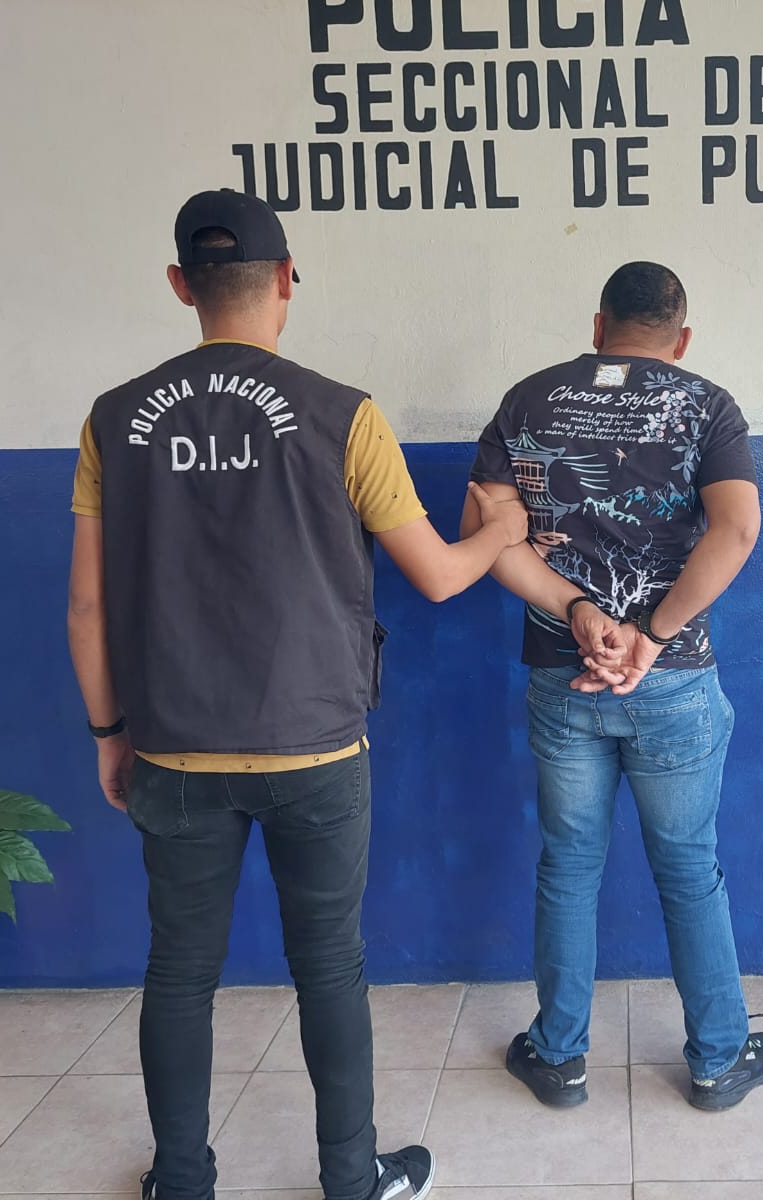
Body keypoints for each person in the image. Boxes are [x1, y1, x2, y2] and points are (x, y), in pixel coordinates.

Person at [66, 188, 526, 1200]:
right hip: (314, 746)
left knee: (179, 971)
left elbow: (88, 609)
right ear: (285, 280)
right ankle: (351, 1179)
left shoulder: (111, 419)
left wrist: (109, 732)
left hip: (171, 745)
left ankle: (180, 1180)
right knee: (329, 967)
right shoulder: (343, 414)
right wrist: (503, 529)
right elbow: (439, 575)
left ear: (181, 285)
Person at [463, 261, 763, 1112]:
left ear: (598, 328)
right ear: (682, 338)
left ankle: (558, 1057)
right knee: (690, 869)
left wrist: (575, 609)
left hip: (564, 674)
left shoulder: (528, 400)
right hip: (671, 681)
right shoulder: (706, 403)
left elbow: (484, 538)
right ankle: (718, 1060)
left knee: (568, 867)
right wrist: (653, 635)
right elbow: (737, 529)